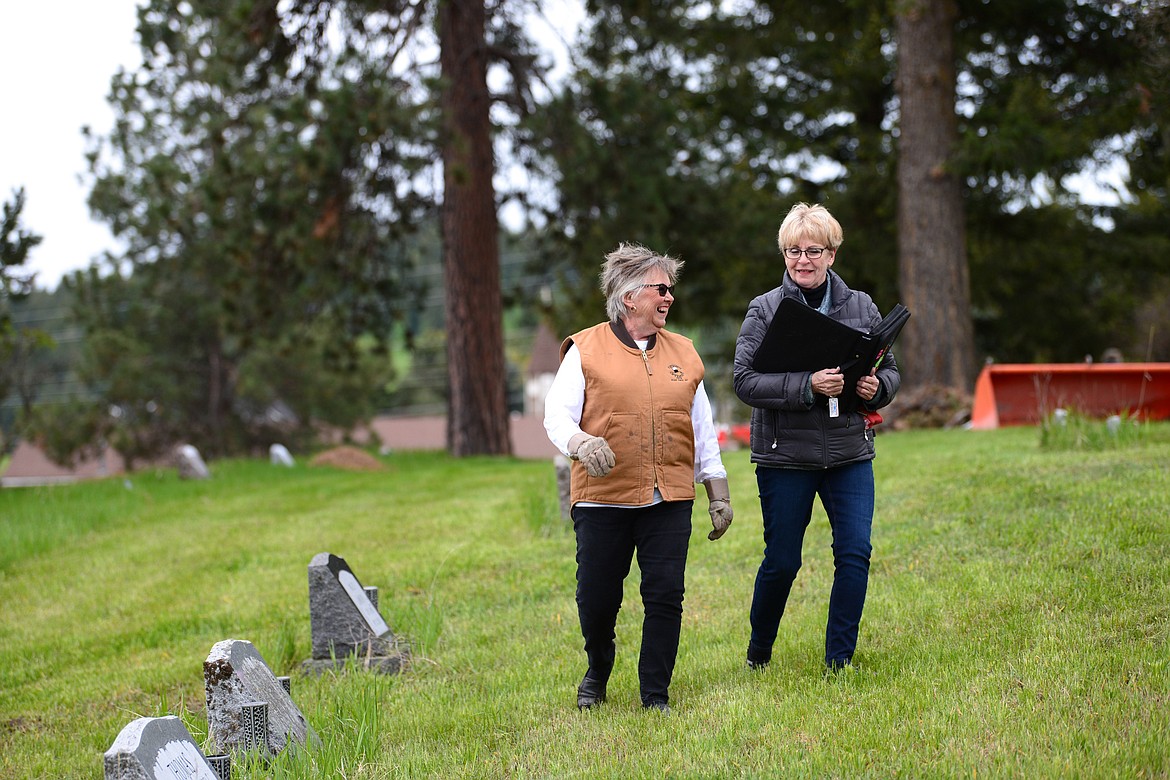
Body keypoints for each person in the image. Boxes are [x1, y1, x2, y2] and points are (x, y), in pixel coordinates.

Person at [544, 242, 734, 713]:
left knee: (666, 594)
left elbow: (702, 428)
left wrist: (718, 491)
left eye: (671, 290)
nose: (669, 297)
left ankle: (655, 694)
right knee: (597, 599)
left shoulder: (685, 354)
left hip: (669, 497)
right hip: (603, 498)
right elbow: (555, 417)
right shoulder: (585, 349)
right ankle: (598, 668)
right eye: (661, 289)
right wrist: (582, 443)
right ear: (630, 296)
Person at [732, 202, 900, 672]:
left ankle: (839, 660)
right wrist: (806, 385)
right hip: (785, 456)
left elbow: (888, 370)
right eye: (792, 251)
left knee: (855, 553)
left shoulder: (861, 305)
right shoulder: (765, 309)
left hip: (849, 451)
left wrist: (877, 386)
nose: (801, 260)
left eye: (812, 251)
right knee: (783, 561)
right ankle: (759, 652)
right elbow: (744, 381)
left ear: (831, 254)